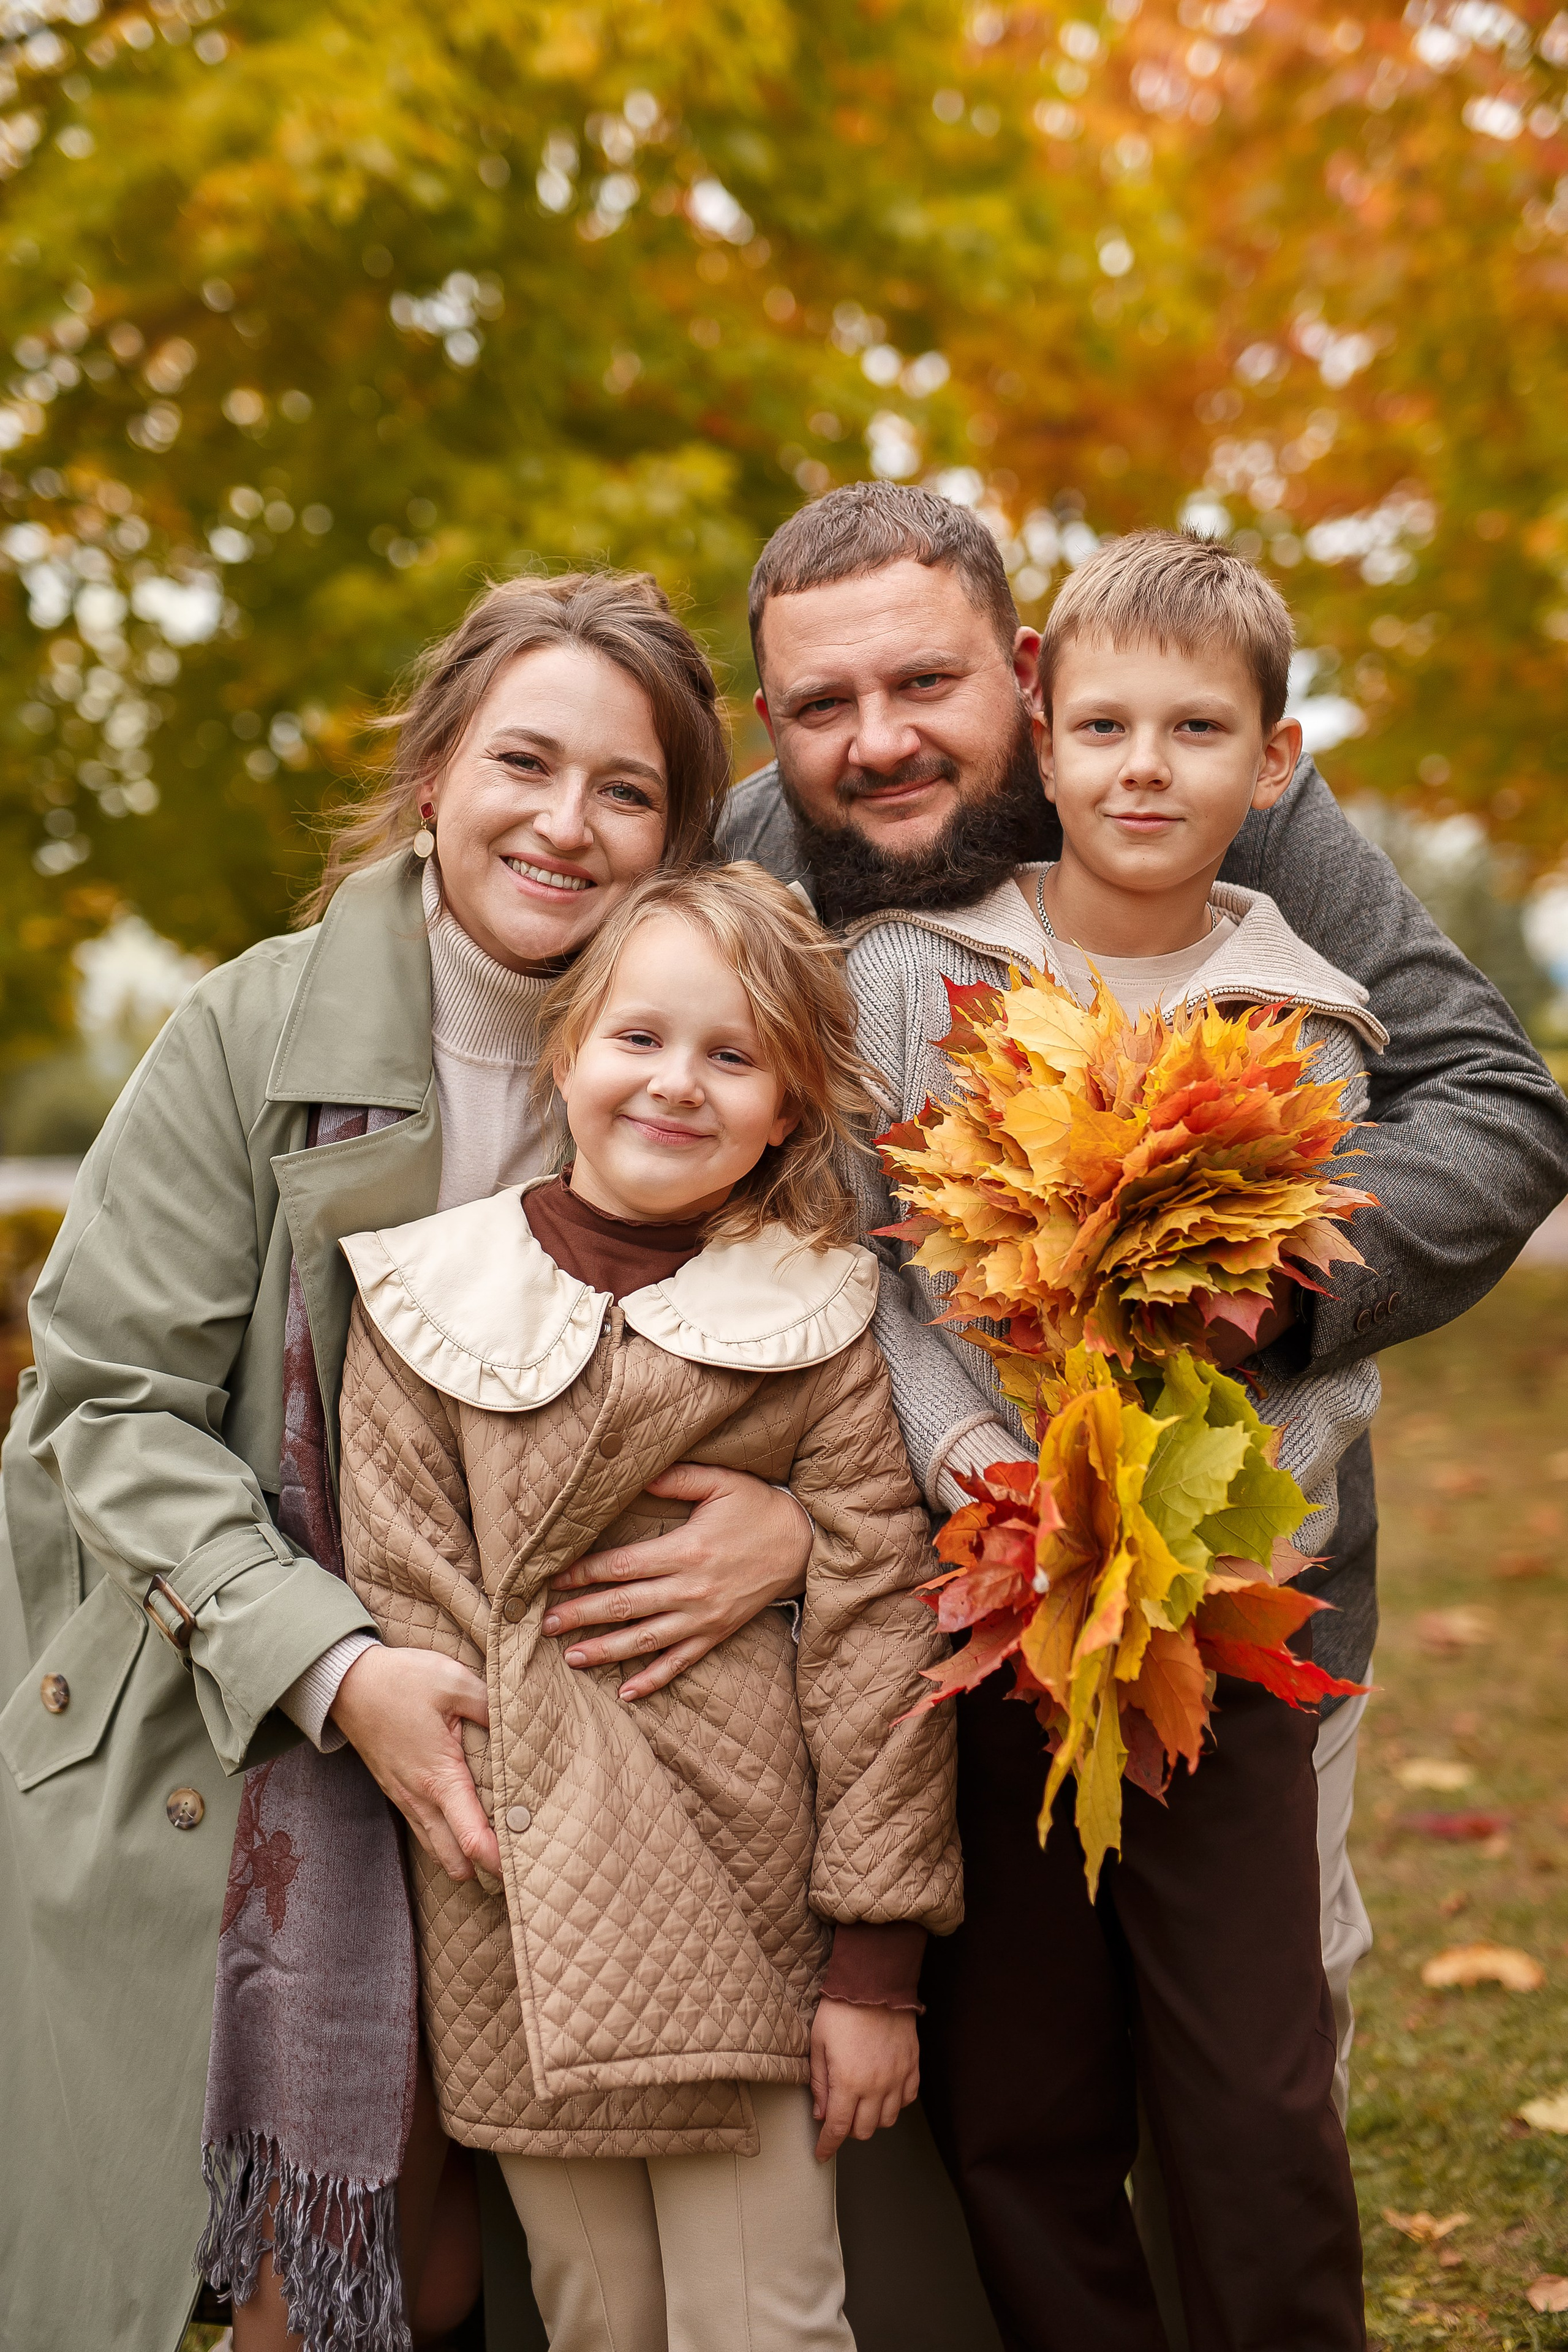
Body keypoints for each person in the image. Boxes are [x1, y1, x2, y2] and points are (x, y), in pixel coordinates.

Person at [715, 478, 1568, 2340]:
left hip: (1238, 1592)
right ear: (764, 716)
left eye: (927, 685)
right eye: (816, 706)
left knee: (1256, 2072)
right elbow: (779, 1222)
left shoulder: (1217, 808)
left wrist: (1270, 1321)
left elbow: (1495, 1107)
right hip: (930, 1593)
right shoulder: (764, 871)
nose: (878, 741)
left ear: (1018, 675)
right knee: (1007, 2078)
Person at [0, 573, 820, 2352]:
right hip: (258, 1696)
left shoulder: (693, 1057)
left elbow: (824, 1364)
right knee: (357, 2252)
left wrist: (796, 1529)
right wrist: (337, 1663)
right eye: (525, 760)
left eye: (629, 792)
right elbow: (101, 1410)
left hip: (600, 1717)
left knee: (514, 2261)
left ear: (681, 833)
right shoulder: (249, 1032)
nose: (565, 822)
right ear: (436, 770)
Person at [850, 528, 1380, 2345]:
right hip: (987, 1611)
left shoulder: (1302, 1022)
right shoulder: (913, 982)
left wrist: (1216, 1540)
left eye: (1198, 731)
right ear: (1039, 734)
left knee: (1254, 2094)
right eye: (1106, 727)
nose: (1146, 767)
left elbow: (1323, 1351)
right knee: (1021, 2100)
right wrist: (973, 1479)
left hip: (1212, 1640)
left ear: (1275, 763)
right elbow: (879, 1283)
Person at [333, 863, 962, 2352]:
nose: (677, 1085)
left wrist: (876, 1964)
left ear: (790, 1109)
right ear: (566, 1052)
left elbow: (883, 1638)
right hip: (510, 1908)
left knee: (769, 2317)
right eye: (640, 1039)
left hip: (744, 1899)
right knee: (590, 2313)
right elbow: (412, 1600)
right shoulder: (429, 1302)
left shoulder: (811, 1315)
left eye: (734, 1057)